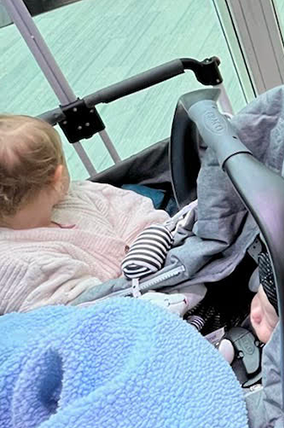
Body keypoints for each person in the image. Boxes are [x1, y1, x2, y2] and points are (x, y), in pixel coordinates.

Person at [0, 113, 170, 312]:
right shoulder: (24, 267)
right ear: (58, 176)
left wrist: (151, 242)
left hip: (156, 262)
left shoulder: (76, 195)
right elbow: (88, 312)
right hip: (137, 310)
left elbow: (131, 208)